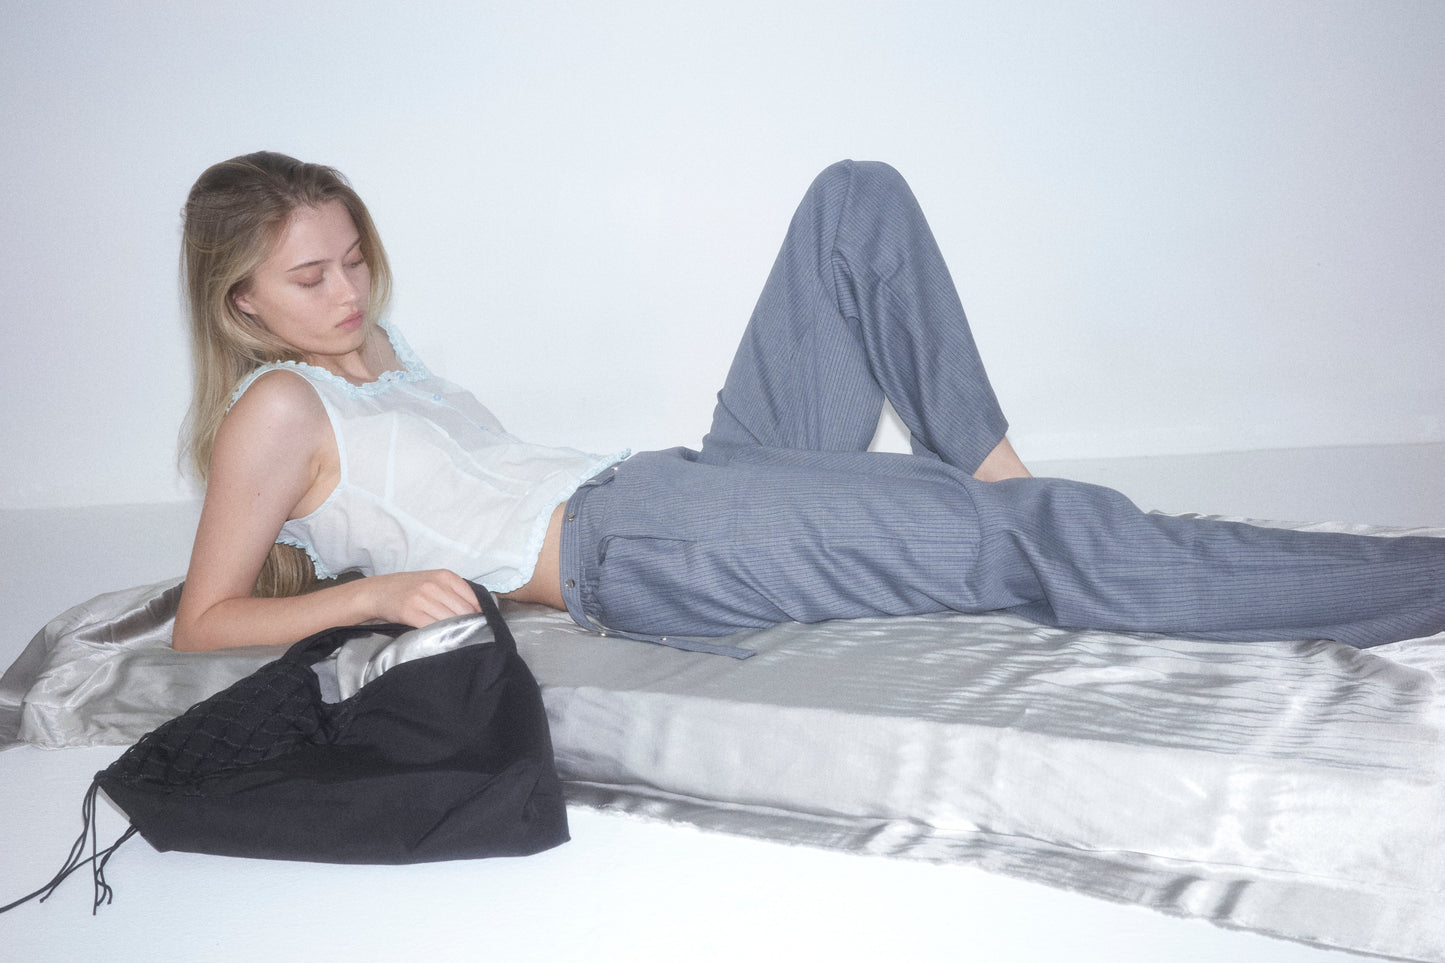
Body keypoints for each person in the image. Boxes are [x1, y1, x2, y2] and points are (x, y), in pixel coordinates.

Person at [171, 152, 1445, 655]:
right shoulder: (274, 414)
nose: (346, 291)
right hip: (642, 547)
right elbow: (203, 622)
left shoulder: (376, 357)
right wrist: (383, 595)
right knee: (1051, 541)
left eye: (351, 257)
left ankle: (994, 485)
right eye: (309, 276)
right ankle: (1028, 527)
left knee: (854, 202)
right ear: (241, 305)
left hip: (673, 484)